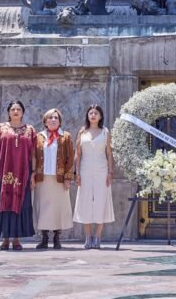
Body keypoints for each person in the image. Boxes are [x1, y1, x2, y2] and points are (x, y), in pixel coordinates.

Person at [0, 101, 36, 250]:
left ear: (23, 112)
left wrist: (33, 173)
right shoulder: (0, 128)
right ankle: (5, 238)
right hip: (3, 173)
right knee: (4, 203)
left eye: (18, 109)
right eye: (13, 109)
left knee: (21, 203)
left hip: (23, 173)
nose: (15, 111)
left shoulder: (30, 130)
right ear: (8, 112)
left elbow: (33, 154)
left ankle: (17, 238)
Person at [73, 105, 115, 249]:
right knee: (85, 201)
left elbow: (109, 153)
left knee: (100, 201)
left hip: (101, 170)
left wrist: (110, 172)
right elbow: (77, 154)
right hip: (85, 170)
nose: (93, 115)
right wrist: (76, 172)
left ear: (100, 116)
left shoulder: (105, 132)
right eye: (90, 113)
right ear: (87, 115)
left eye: (96, 113)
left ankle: (98, 235)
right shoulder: (82, 132)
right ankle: (88, 235)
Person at [33, 108, 74, 250]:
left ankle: (57, 237)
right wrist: (33, 175)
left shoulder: (65, 137)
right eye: (50, 117)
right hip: (42, 178)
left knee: (58, 208)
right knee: (43, 208)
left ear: (60, 121)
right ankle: (44, 237)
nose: (53, 120)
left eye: (56, 117)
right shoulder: (38, 137)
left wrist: (68, 177)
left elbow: (70, 158)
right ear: (45, 120)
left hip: (59, 178)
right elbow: (34, 157)